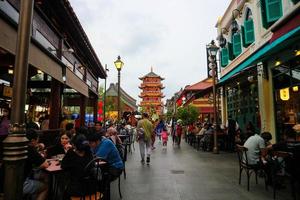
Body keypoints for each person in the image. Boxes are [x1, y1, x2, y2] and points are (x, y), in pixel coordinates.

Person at [23, 129, 49, 200]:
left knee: (43, 176)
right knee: (45, 187)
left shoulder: (22, 146)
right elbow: (45, 165)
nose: (38, 141)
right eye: (37, 139)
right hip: (22, 183)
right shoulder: (30, 149)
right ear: (32, 141)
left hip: (8, 181)